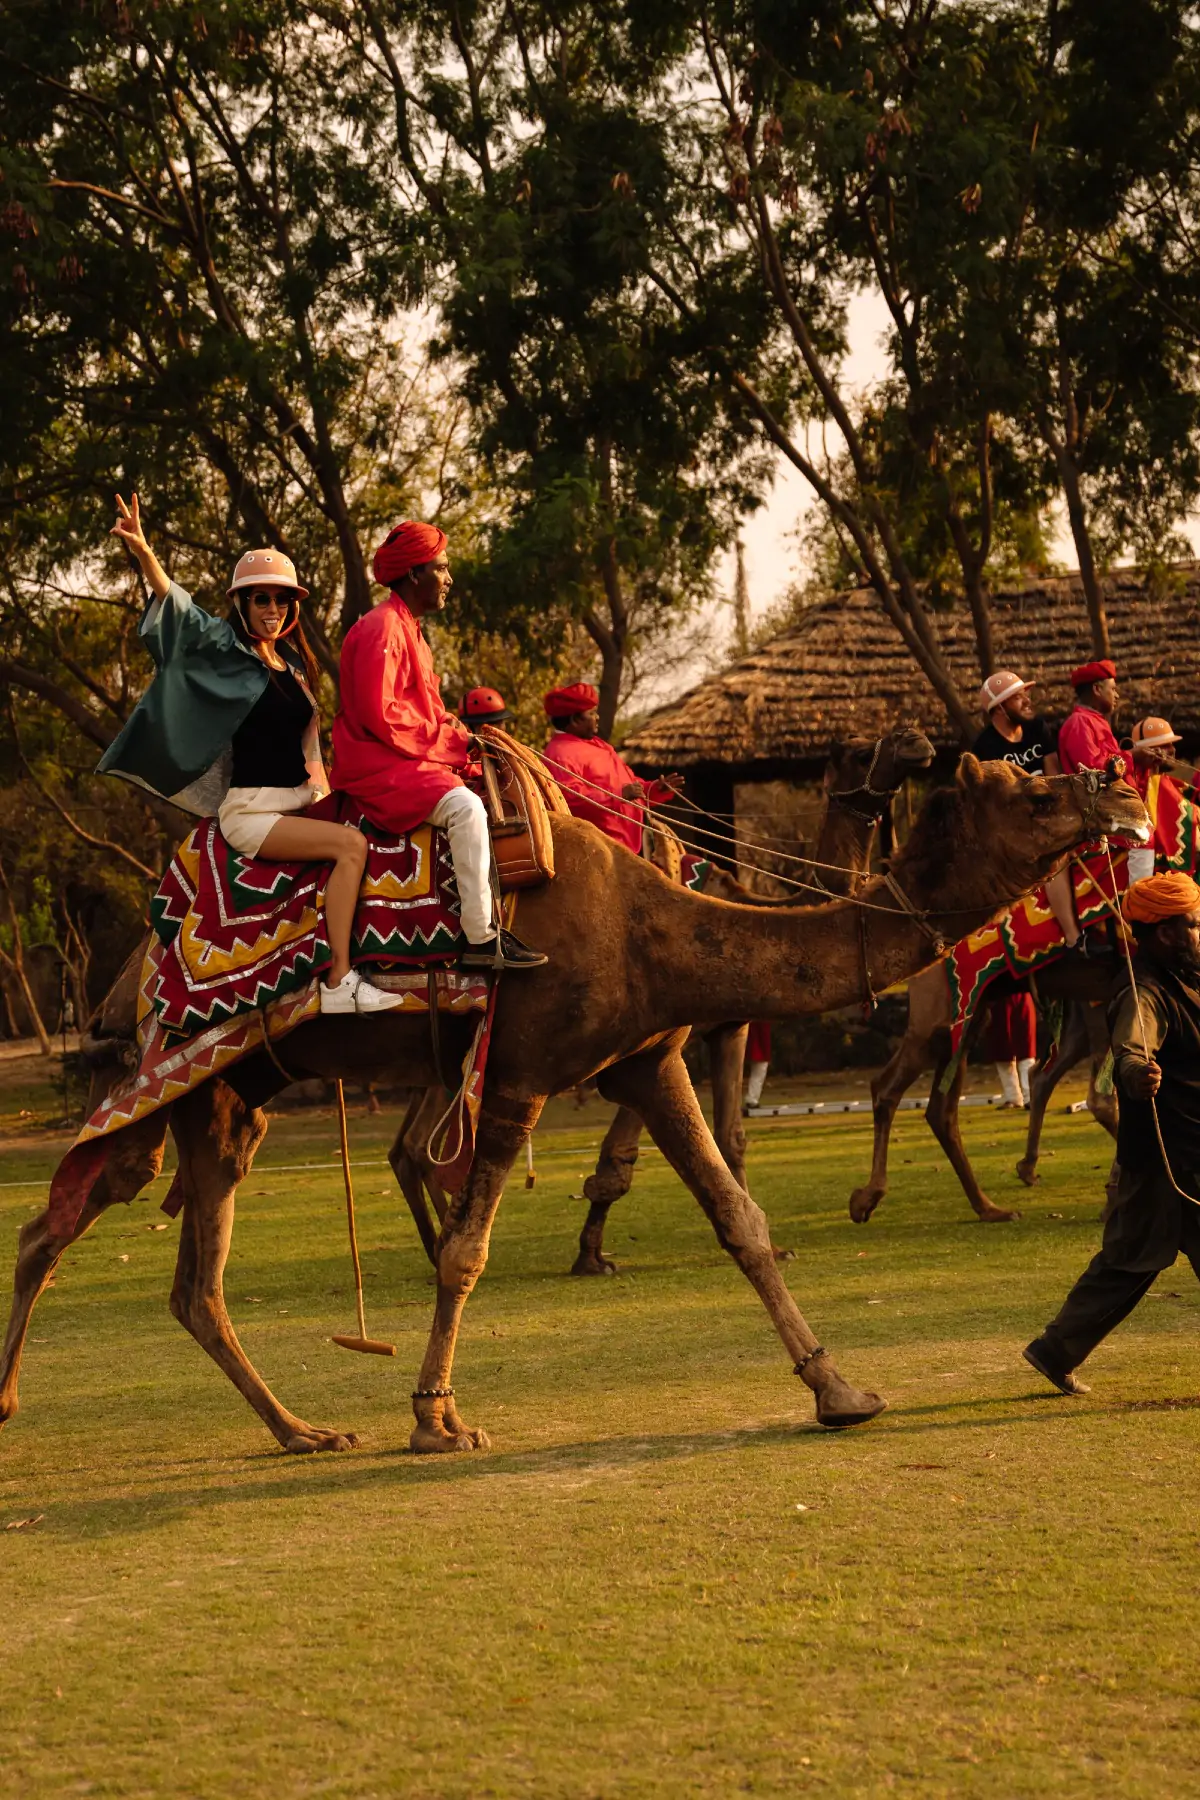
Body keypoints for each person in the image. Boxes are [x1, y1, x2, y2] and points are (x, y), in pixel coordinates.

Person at [101, 493, 401, 1016]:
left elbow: (310, 750)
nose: (272, 610)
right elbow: (180, 609)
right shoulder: (224, 648)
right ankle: (339, 981)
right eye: (261, 599)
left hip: (298, 802)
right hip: (253, 813)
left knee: (371, 830)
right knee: (351, 848)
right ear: (242, 604)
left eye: (281, 601)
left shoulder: (295, 670)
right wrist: (145, 552)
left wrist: (327, 799)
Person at [331, 521, 545, 972]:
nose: (449, 579)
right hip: (379, 766)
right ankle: (481, 937)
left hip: (406, 756)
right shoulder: (383, 629)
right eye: (442, 569)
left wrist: (471, 738)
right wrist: (452, 740)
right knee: (466, 808)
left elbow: (427, 710)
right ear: (414, 574)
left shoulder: (409, 629)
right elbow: (383, 715)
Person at [1024, 871, 1200, 1396]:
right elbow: (1132, 1046)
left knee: (1127, 1262)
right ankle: (1055, 1349)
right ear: (1165, 933)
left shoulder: (1187, 978)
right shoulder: (1142, 991)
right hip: (1176, 1157)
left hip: (1169, 1158)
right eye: (1194, 924)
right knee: (1127, 1261)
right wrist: (1136, 1071)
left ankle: (1055, 1350)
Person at [541, 683, 678, 855]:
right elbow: (570, 798)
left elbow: (629, 786)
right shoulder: (559, 754)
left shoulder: (598, 745)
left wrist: (654, 789)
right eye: (591, 713)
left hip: (632, 844)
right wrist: (619, 795)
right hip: (602, 852)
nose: (597, 717)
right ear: (575, 719)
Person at [1124, 717, 1185, 885]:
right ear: (1148, 751)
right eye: (1165, 745)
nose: (1172, 750)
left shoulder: (1162, 780)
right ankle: (1139, 899)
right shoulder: (1132, 778)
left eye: (1172, 744)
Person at [972, 670, 1058, 776]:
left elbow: (1055, 775)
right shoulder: (986, 749)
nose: (1027, 701)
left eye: (1025, 695)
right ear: (999, 708)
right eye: (1017, 697)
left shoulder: (1037, 727)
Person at [1056, 658, 1122, 776]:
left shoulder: (1094, 720)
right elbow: (1092, 770)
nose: (1117, 695)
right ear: (1097, 689)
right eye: (1112, 689)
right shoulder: (1079, 722)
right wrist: (1131, 757)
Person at [985, 988, 1037, 1107]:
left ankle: (1030, 1097)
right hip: (997, 1001)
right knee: (1002, 1052)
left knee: (1026, 1051)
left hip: (1021, 996)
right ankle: (1013, 1097)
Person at [743, 1020, 772, 1112]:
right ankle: (752, 1099)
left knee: (756, 1074)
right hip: (759, 1052)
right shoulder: (762, 1021)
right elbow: (764, 1038)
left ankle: (751, 1098)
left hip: (753, 1050)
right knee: (758, 1074)